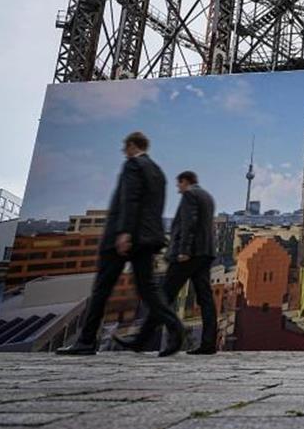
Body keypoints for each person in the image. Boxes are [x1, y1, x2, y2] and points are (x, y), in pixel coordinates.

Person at [56, 132, 185, 356]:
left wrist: (124, 232)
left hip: (123, 238)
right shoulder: (157, 171)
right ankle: (175, 326)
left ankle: (86, 341)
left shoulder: (133, 165)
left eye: (125, 147)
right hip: (146, 238)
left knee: (102, 289)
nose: (123, 151)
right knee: (148, 289)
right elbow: (154, 207)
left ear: (133, 146)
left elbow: (129, 199)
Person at [116, 170, 218, 355]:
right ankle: (209, 343)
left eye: (179, 184)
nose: (178, 188)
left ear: (185, 181)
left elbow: (189, 223)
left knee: (163, 297)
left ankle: (145, 340)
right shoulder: (207, 196)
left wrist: (184, 250)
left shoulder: (190, 194)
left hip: (189, 255)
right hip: (205, 253)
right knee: (206, 299)